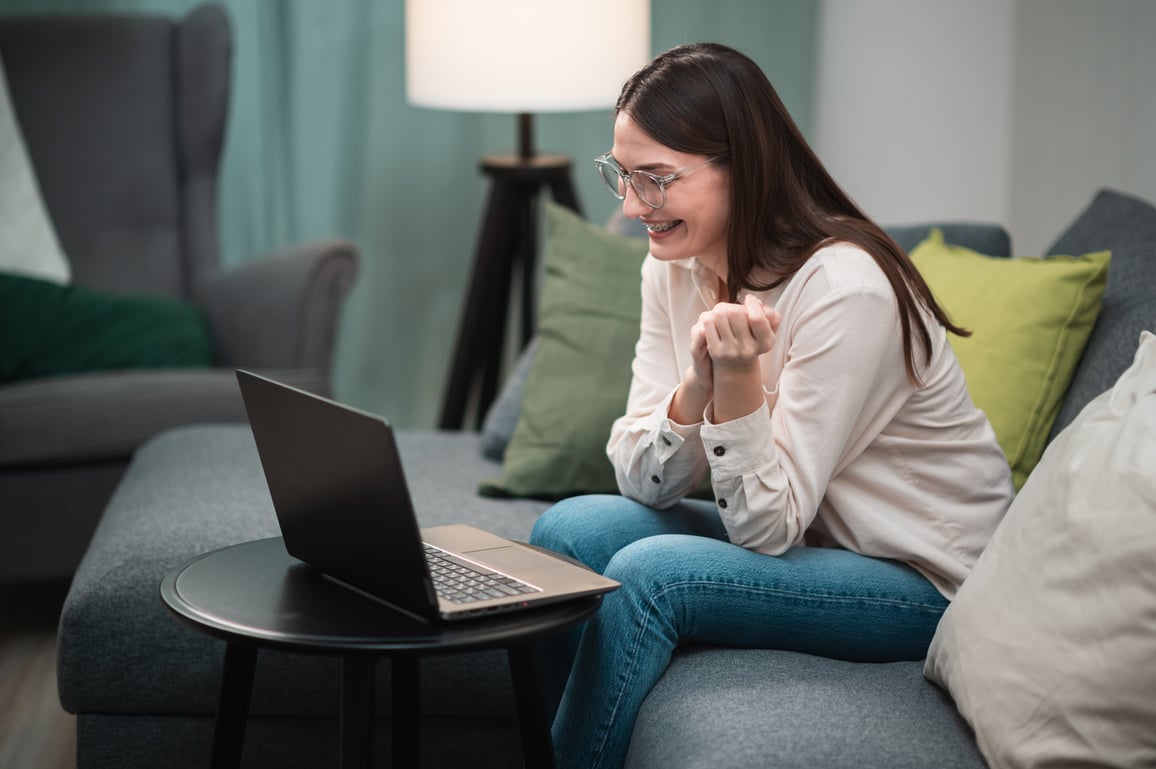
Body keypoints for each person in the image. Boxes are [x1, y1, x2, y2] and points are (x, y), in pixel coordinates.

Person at [528, 42, 1015, 769]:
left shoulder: (846, 290)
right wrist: (696, 388)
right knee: (567, 529)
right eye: (622, 176)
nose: (631, 208)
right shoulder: (676, 266)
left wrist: (738, 381)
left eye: (656, 180)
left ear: (742, 167)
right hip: (815, 540)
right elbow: (641, 479)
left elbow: (766, 525)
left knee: (652, 576)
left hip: (925, 578)